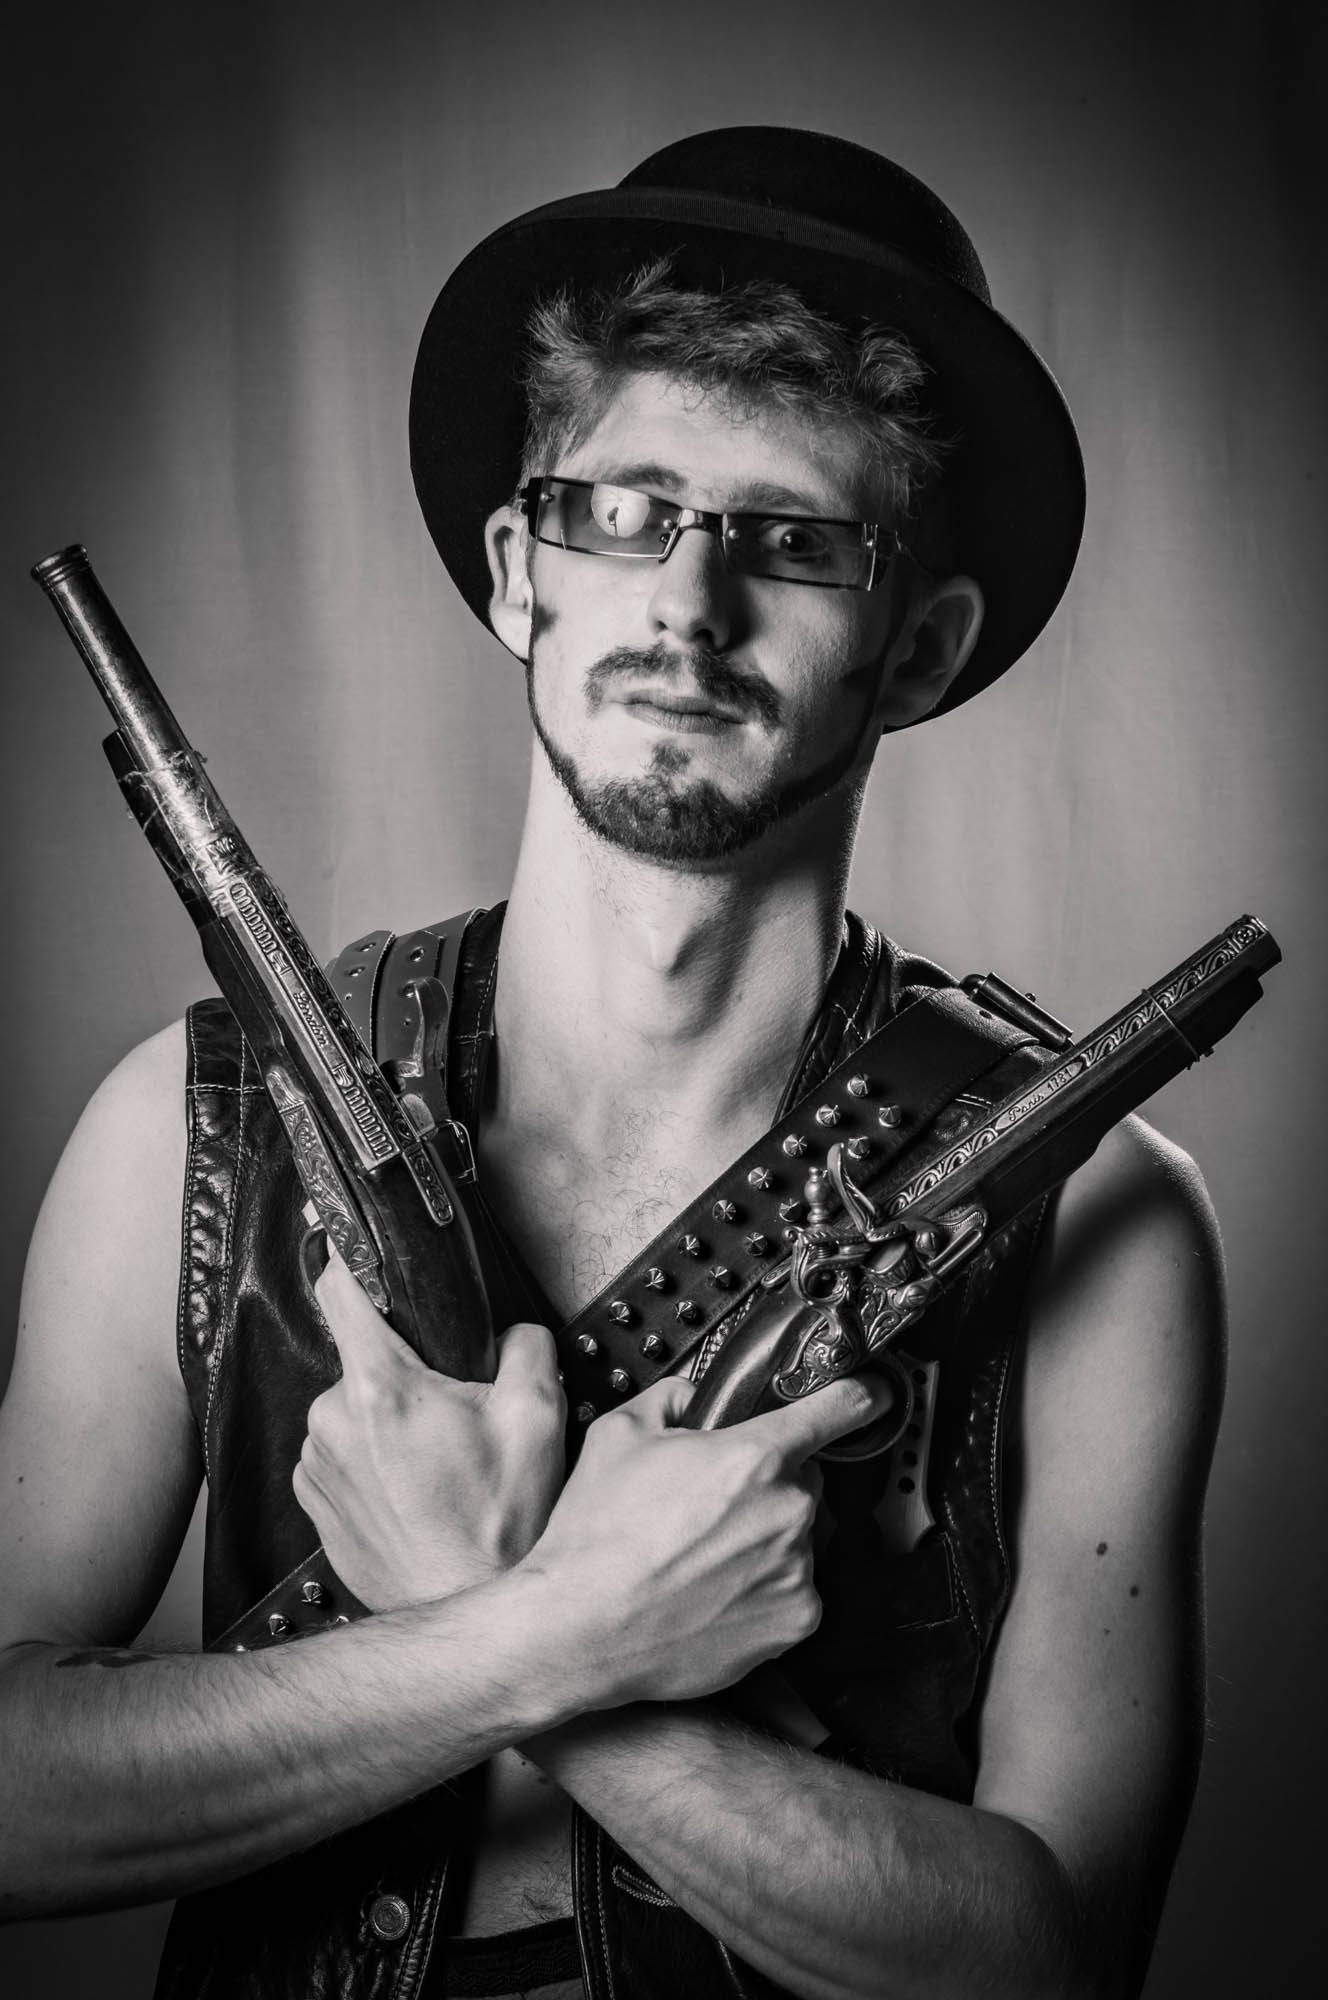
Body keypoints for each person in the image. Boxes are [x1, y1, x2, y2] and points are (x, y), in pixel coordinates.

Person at [0, 128, 1224, 2000]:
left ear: (916, 651)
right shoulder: (191, 1124)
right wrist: (551, 1634)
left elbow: (1050, 1959)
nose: (687, 605)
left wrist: (525, 1648)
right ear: (521, 574)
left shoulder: (1103, 1218)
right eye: (624, 513)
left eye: (795, 543)